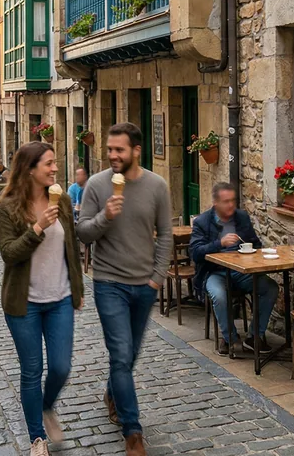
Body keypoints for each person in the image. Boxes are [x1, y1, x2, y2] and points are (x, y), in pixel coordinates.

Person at [76, 123, 171, 456]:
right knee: (120, 354)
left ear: (136, 151)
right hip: (109, 283)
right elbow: (83, 233)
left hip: (144, 285)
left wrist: (157, 278)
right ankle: (133, 432)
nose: (113, 155)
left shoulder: (157, 185)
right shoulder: (96, 185)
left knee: (129, 356)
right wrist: (105, 216)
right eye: (110, 149)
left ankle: (113, 393)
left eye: (119, 149)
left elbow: (165, 234)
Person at [0, 142, 83, 456]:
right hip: (25, 303)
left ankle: (46, 407)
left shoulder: (62, 201)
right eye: (48, 163)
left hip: (60, 299)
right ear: (30, 169)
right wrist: (37, 227)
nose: (55, 168)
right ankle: (37, 438)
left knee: (60, 367)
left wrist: (77, 290)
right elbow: (9, 253)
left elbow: (71, 248)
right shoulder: (6, 208)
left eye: (55, 162)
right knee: (32, 371)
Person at [189, 183, 279, 355]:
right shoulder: (202, 222)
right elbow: (195, 253)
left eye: (233, 201)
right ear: (215, 203)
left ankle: (255, 336)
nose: (231, 205)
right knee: (219, 296)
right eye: (226, 201)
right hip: (215, 272)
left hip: (241, 271)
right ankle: (230, 338)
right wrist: (219, 243)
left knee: (270, 288)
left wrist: (251, 252)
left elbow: (255, 243)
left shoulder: (241, 217)